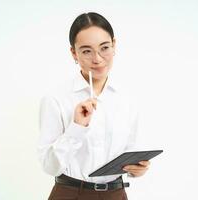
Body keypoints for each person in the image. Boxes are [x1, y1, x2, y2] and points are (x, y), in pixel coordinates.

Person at [38, 12, 150, 200]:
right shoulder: (56, 98)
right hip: (70, 194)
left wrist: (138, 169)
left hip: (115, 194)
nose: (97, 59)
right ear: (74, 53)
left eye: (104, 48)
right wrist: (77, 127)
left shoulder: (127, 99)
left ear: (114, 45)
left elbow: (131, 153)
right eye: (87, 51)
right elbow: (50, 167)